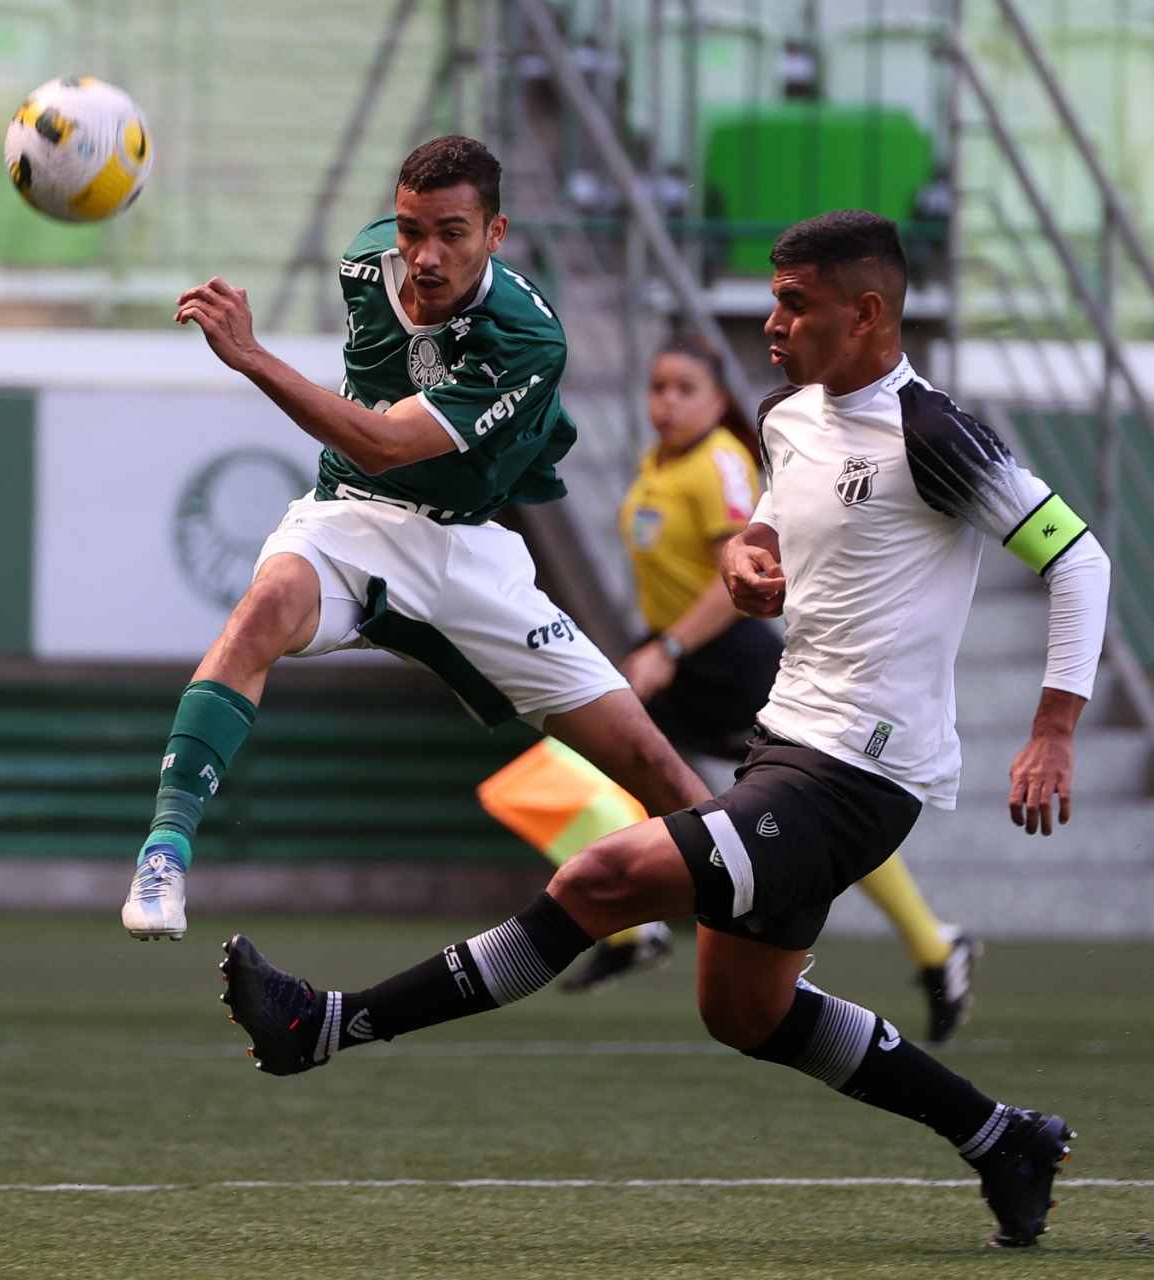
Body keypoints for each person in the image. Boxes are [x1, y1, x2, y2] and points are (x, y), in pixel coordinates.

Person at [217, 210, 1111, 1250]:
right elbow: (769, 535)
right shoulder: (782, 419)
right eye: (772, 298)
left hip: (862, 775)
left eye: (793, 302)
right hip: (780, 746)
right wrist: (747, 562)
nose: (770, 322)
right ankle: (1000, 1134)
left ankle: (322, 1025)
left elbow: (1075, 559)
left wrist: (1051, 728)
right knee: (745, 1012)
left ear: (866, 312)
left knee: (597, 879)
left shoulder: (933, 434)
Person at [120, 135, 711, 940]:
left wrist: (253, 357)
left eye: (451, 234)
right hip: (349, 516)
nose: (424, 255)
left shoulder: (527, 338)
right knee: (263, 609)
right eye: (410, 229)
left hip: (468, 551)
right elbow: (371, 452)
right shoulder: (368, 264)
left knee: (653, 767)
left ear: (495, 234)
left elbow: (390, 441)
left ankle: (763, 909)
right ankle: (164, 855)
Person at [552, 335, 979, 1042]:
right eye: (658, 387)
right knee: (576, 767)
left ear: (717, 401)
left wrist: (669, 647)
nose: (666, 402)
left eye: (685, 389)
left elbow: (742, 573)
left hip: (725, 658)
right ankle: (641, 931)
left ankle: (935, 945)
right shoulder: (654, 463)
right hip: (671, 660)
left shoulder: (721, 462)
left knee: (805, 803)